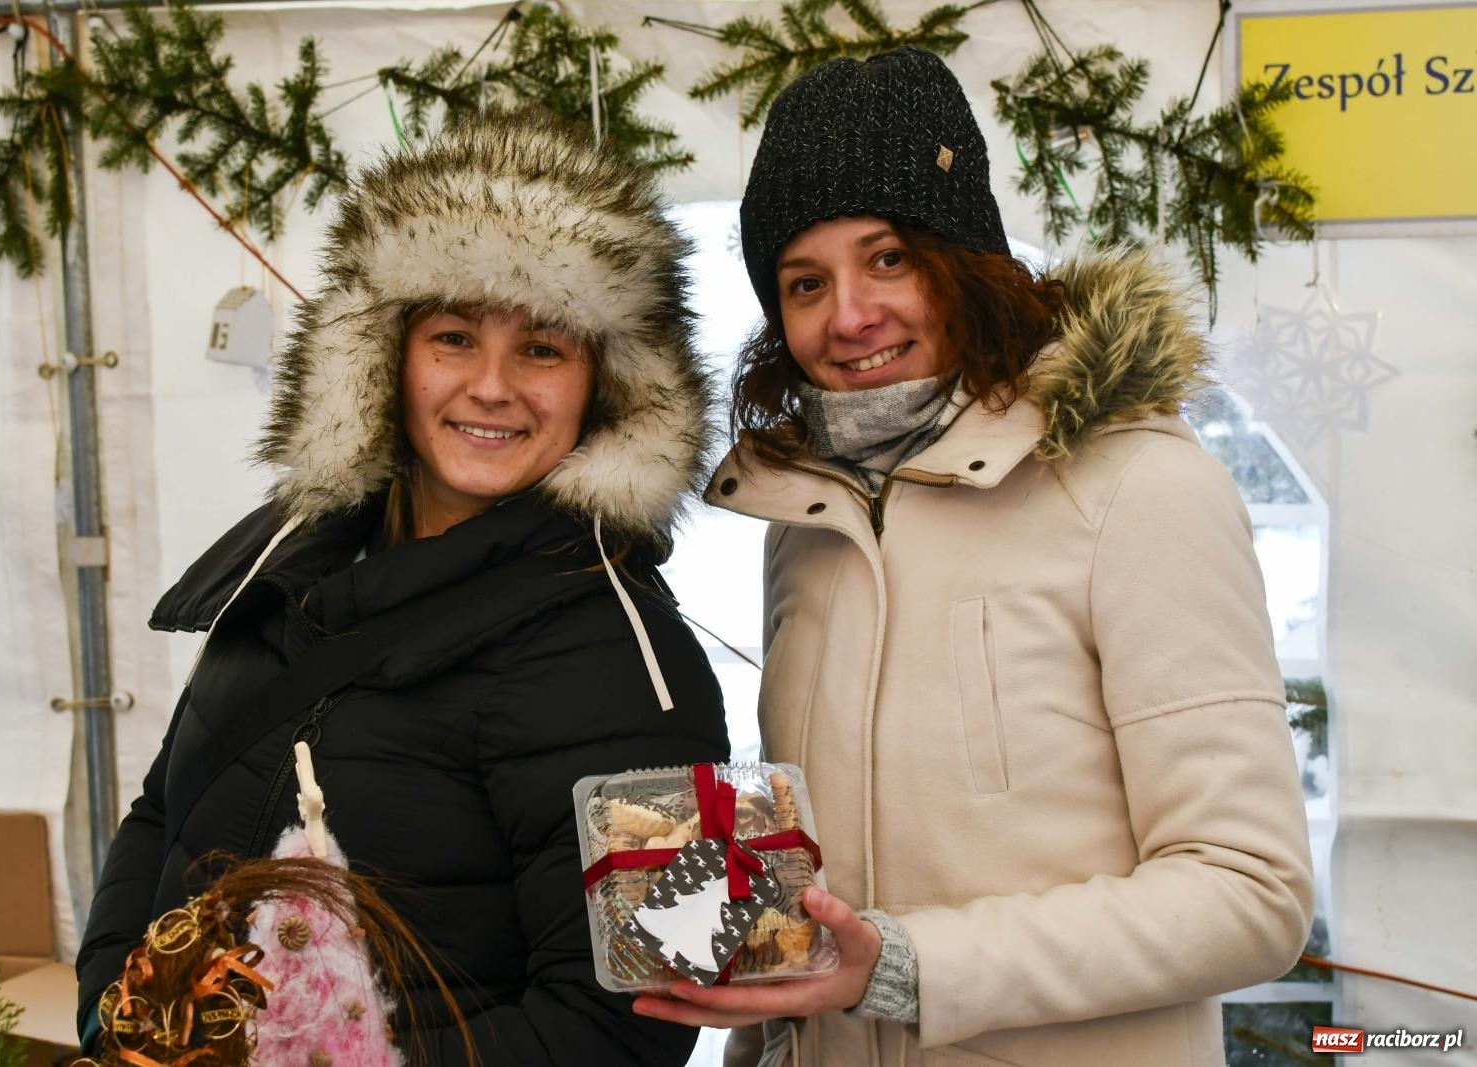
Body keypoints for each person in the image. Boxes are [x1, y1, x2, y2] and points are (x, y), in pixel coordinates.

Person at [633, 48, 1314, 1066]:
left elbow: (1250, 890)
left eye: (889, 258)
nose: (850, 314)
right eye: (805, 280)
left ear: (966, 260)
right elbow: (831, 908)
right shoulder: (806, 522)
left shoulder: (1137, 488)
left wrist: (906, 964)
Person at [76, 111, 729, 1066]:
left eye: (544, 348)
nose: (493, 386)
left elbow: (630, 1029)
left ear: (608, 383)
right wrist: (114, 1007)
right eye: (455, 336)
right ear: (385, 355)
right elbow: (161, 811)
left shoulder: (636, 655)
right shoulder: (290, 554)